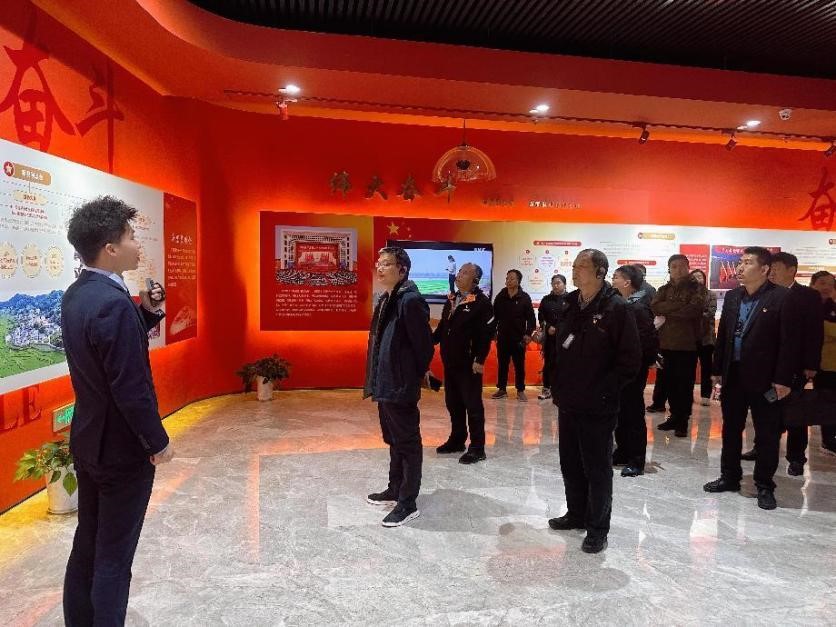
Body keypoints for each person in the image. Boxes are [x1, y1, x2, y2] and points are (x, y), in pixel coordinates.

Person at [62, 196, 173, 626]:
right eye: (130, 236)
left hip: (89, 440)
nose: (137, 243)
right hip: (121, 451)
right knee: (113, 558)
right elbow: (131, 388)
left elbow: (106, 349)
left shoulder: (79, 294)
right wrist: (157, 442)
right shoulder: (111, 302)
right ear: (110, 248)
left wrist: (146, 313)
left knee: (87, 546)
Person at [548, 250, 641, 553]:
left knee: (597, 468)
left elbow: (630, 360)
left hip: (598, 404)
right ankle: (576, 513)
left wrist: (606, 390)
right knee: (570, 462)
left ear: (600, 271)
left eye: (582, 267)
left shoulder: (617, 308)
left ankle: (598, 528)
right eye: (574, 266)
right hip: (569, 400)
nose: (575, 271)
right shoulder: (570, 303)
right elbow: (561, 347)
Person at [704, 247, 794, 511]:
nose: (740, 268)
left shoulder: (781, 297)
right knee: (731, 429)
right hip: (733, 374)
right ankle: (729, 476)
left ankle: (764, 484)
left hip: (767, 379)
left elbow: (789, 342)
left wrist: (783, 379)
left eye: (747, 262)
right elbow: (724, 335)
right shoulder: (734, 296)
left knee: (767, 433)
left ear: (764, 269)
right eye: (739, 262)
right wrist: (717, 369)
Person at [364, 246, 434, 527]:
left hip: (400, 384)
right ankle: (395, 488)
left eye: (386, 264)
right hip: (386, 382)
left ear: (402, 269)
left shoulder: (410, 301)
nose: (379, 268)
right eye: (379, 263)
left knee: (407, 442)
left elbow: (424, 347)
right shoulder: (387, 298)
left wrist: (410, 376)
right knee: (393, 440)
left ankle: (408, 502)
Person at [755, 253, 823, 474]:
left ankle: (796, 457)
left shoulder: (808, 296)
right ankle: (761, 447)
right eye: (769, 268)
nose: (771, 272)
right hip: (766, 364)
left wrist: (811, 364)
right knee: (765, 408)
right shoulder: (764, 292)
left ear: (791, 270)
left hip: (795, 365)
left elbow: (815, 332)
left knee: (795, 412)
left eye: (776, 268)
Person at [433, 262, 493, 464]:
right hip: (450, 361)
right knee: (453, 403)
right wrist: (427, 341)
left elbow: (486, 335)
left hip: (469, 364)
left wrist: (480, 359)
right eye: (459, 271)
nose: (459, 275)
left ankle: (477, 447)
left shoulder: (481, 303)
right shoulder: (452, 299)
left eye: (465, 272)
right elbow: (443, 328)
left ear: (475, 280)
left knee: (472, 405)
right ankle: (457, 440)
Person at [611, 265, 659, 477]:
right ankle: (622, 451)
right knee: (620, 411)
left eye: (616, 277)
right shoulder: (622, 304)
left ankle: (637, 459)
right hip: (620, 368)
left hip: (634, 369)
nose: (612, 280)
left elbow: (649, 339)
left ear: (627, 282)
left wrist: (643, 363)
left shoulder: (638, 307)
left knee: (633, 413)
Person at [651, 254, 706, 437]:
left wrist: (668, 310)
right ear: (669, 269)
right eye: (674, 266)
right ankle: (674, 416)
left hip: (687, 345)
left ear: (688, 267)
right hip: (665, 343)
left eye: (682, 266)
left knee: (684, 385)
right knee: (669, 383)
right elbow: (655, 307)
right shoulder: (664, 289)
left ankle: (683, 421)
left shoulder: (696, 288)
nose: (678, 269)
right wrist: (678, 306)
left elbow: (693, 310)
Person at [491, 269, 536, 402]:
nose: (508, 281)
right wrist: (493, 332)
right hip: (503, 337)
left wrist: (528, 334)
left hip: (519, 338)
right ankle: (502, 389)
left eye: (511, 278)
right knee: (502, 364)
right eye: (507, 278)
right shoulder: (501, 296)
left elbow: (531, 318)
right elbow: (494, 316)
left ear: (518, 281)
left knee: (519, 365)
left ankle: (520, 390)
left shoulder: (524, 297)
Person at [810, 270, 836, 456]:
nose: (826, 287)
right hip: (813, 363)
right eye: (822, 283)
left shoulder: (831, 306)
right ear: (813, 284)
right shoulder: (806, 305)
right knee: (825, 401)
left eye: (830, 284)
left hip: (830, 364)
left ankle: (829, 439)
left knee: (830, 401)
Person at [536, 273, 568, 401]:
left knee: (564, 363)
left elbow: (572, 319)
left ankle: (562, 390)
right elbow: (541, 316)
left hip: (565, 338)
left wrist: (559, 328)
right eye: (553, 283)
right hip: (549, 338)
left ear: (564, 284)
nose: (555, 285)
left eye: (558, 283)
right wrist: (548, 326)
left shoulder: (571, 299)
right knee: (549, 363)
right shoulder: (546, 299)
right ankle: (546, 389)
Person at [690, 269, 718, 406]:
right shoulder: (687, 295)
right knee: (688, 368)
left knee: (707, 367)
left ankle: (706, 396)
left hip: (707, 337)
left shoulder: (711, 294)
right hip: (689, 337)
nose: (697, 279)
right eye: (694, 277)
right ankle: (687, 395)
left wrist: (694, 314)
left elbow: (710, 313)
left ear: (704, 279)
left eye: (699, 276)